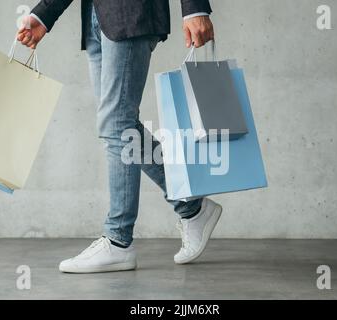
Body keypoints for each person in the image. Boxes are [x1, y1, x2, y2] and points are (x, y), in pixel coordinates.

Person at [17, 0, 222, 273]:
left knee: (118, 125)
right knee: (117, 127)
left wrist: (194, 8)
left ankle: (118, 240)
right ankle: (192, 206)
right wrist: (43, 14)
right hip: (97, 16)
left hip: (131, 12)